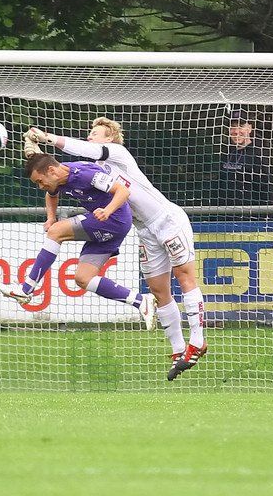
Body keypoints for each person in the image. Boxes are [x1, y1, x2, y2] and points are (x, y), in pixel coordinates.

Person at [26, 117, 208, 379]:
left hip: (167, 220)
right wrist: (33, 150)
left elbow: (85, 149)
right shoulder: (93, 169)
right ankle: (179, 350)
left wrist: (49, 138)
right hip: (145, 230)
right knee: (159, 290)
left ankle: (197, 341)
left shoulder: (118, 154)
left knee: (184, 276)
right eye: (89, 133)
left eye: (95, 133)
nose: (90, 137)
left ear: (109, 137)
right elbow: (53, 173)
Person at [0, 153, 155, 328]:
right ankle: (141, 301)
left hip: (114, 219)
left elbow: (123, 191)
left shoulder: (85, 175)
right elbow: (51, 194)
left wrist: (107, 211)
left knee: (56, 232)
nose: (40, 186)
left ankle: (26, 289)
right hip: (106, 223)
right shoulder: (58, 178)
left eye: (40, 181)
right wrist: (50, 218)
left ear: (51, 170)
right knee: (83, 278)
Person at [218, 109, 273, 207]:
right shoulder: (226, 154)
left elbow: (267, 191)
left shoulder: (258, 155)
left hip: (249, 214)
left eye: (241, 126)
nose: (236, 131)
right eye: (233, 127)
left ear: (249, 128)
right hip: (224, 213)